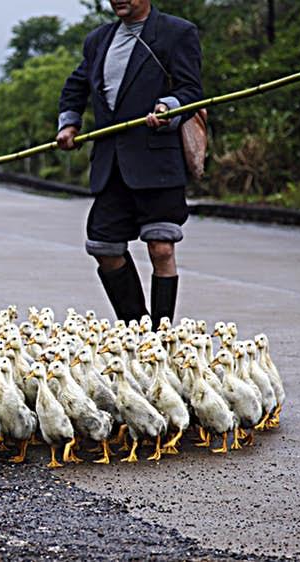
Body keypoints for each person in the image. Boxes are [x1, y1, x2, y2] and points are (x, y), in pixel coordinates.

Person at [56, 0, 202, 327]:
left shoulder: (177, 33)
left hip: (156, 160)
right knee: (103, 246)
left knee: (161, 247)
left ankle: (162, 334)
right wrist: (69, 124)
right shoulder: (98, 40)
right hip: (112, 163)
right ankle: (136, 329)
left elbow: (191, 90)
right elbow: (76, 86)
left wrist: (168, 107)